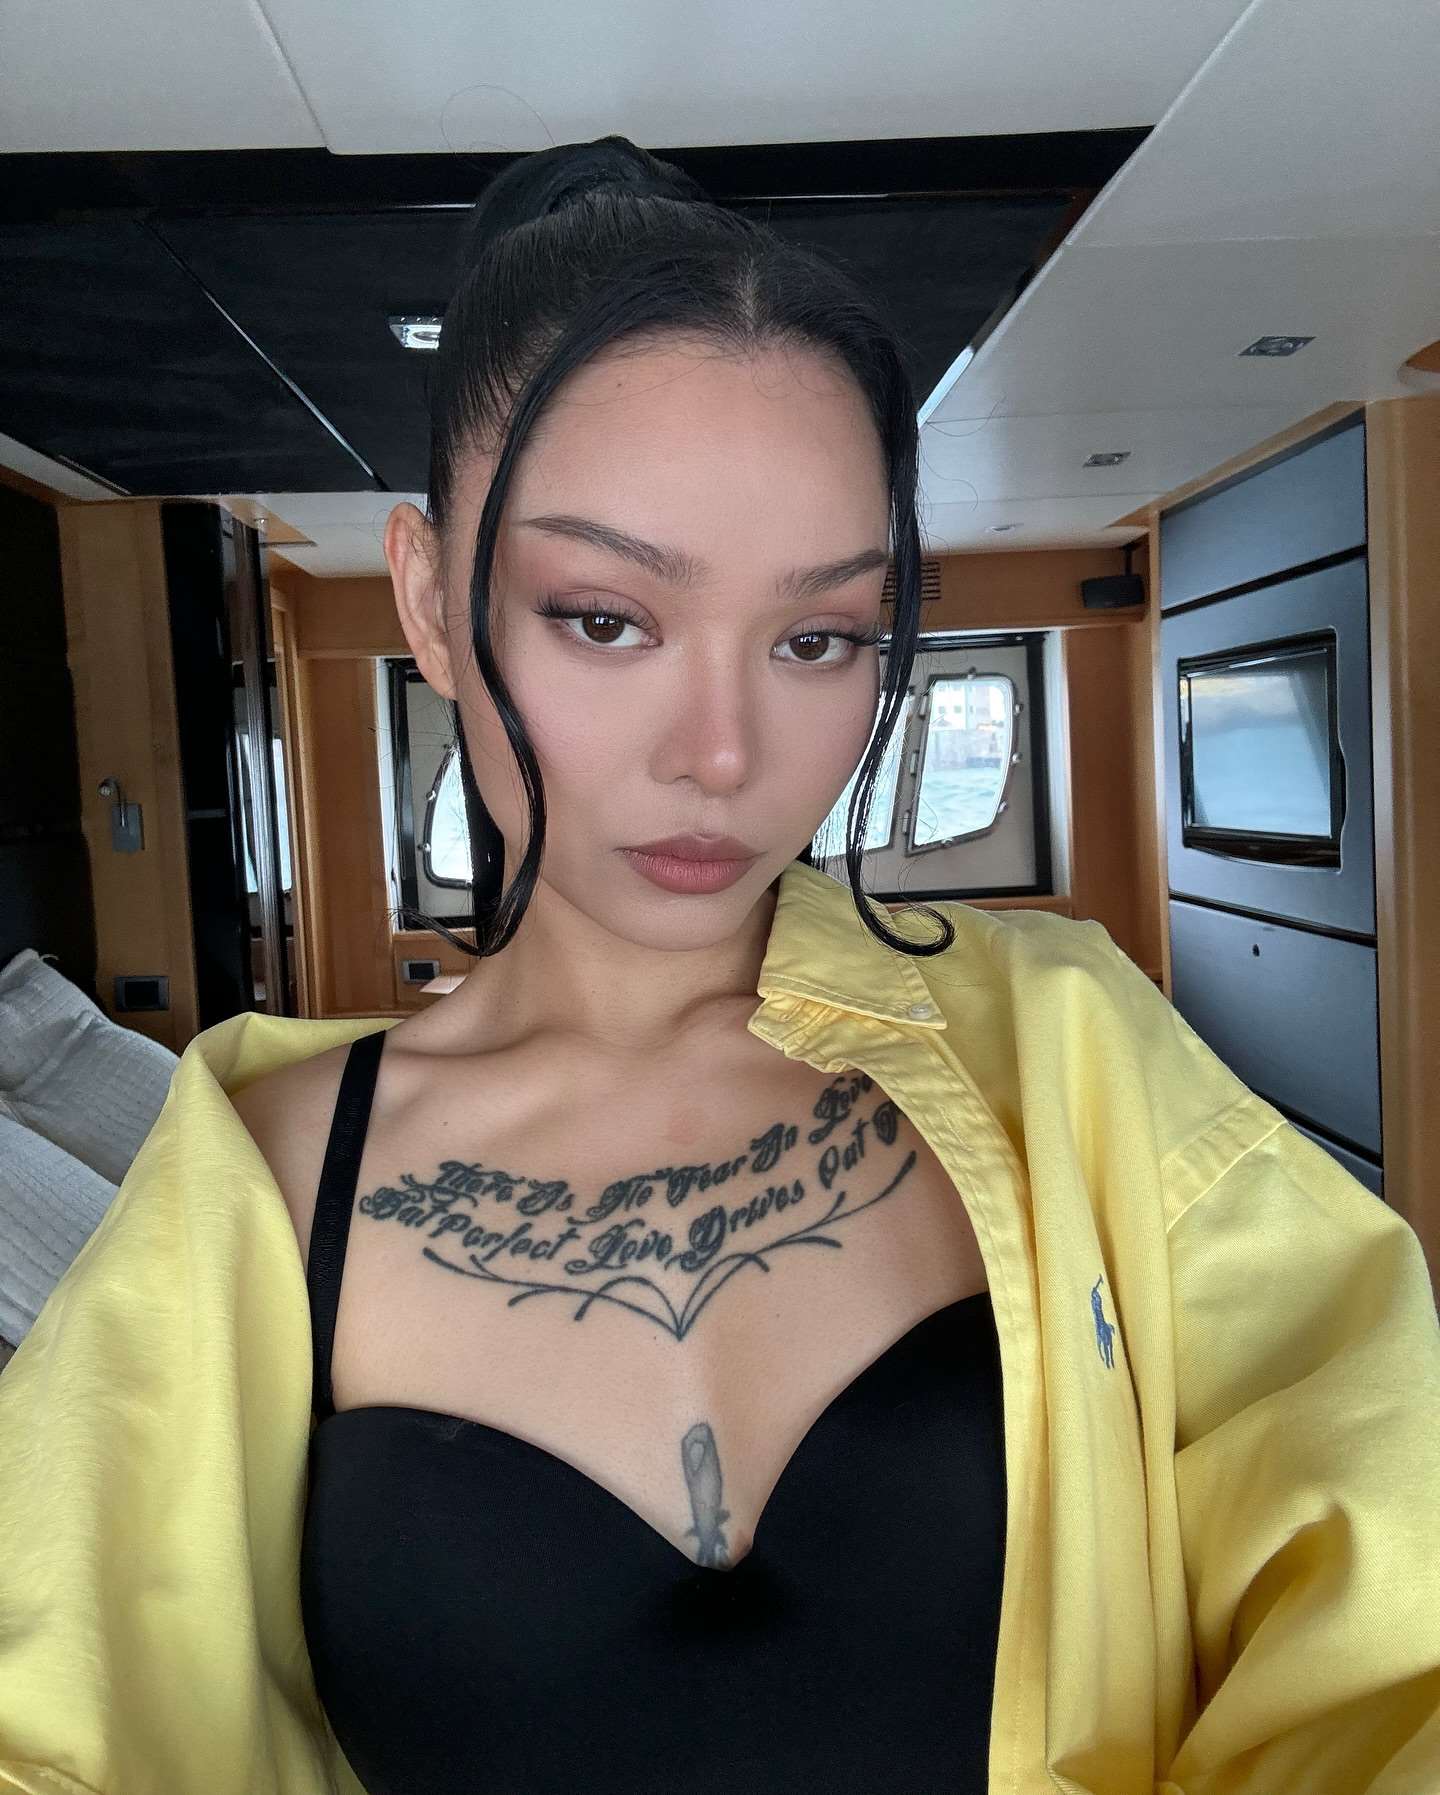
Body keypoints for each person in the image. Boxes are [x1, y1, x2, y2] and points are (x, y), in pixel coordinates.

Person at [2, 134, 1439, 1795]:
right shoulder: (258, 1182)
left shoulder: (1067, 1054)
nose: (723, 753)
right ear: (433, 603)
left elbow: (1393, 1614)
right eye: (606, 618)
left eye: (817, 638)